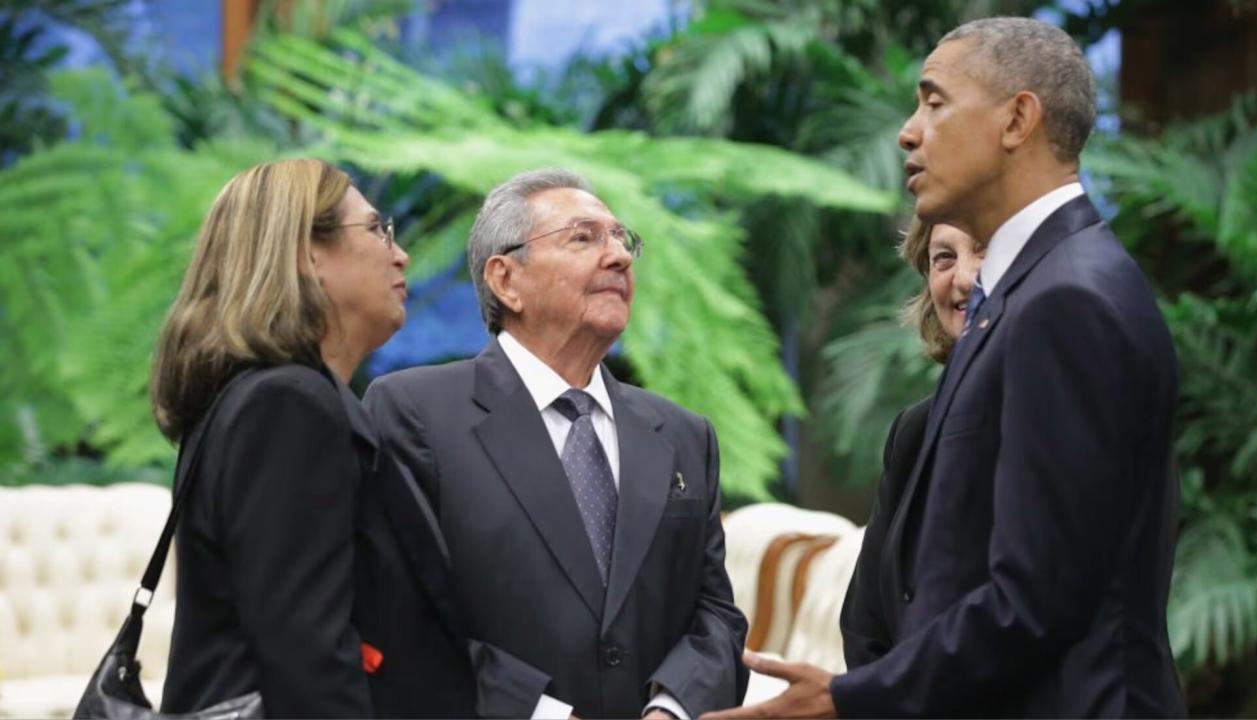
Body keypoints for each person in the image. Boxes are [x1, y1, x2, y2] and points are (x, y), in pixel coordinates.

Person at [706, 16, 1184, 718]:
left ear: (1018, 118)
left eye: (933, 102)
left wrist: (849, 698)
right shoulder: (1032, 291)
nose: (908, 131)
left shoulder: (1067, 299)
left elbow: (1036, 597)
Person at [152, 159, 535, 719]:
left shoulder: (267, 397)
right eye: (379, 230)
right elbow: (307, 655)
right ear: (308, 255)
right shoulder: (287, 406)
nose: (400, 254)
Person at [364, 168, 748, 719]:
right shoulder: (414, 415)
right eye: (584, 237)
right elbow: (399, 616)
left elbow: (714, 612)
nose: (618, 256)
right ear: (506, 279)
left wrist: (671, 708)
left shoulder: (683, 435)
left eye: (622, 239)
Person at [839, 219, 981, 669]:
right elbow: (866, 619)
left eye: (984, 251)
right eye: (944, 258)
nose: (963, 278)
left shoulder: (1059, 402)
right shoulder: (914, 430)